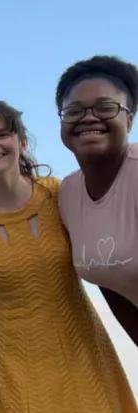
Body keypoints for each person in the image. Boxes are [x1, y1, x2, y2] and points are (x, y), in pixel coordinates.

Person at [0, 100, 137, 412]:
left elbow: (113, 256)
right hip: (10, 363)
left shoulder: (61, 194)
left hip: (82, 350)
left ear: (22, 142)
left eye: (2, 134)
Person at [56, 55, 138, 346]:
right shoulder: (68, 193)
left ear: (129, 119)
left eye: (105, 107)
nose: (89, 117)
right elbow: (108, 278)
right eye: (74, 110)